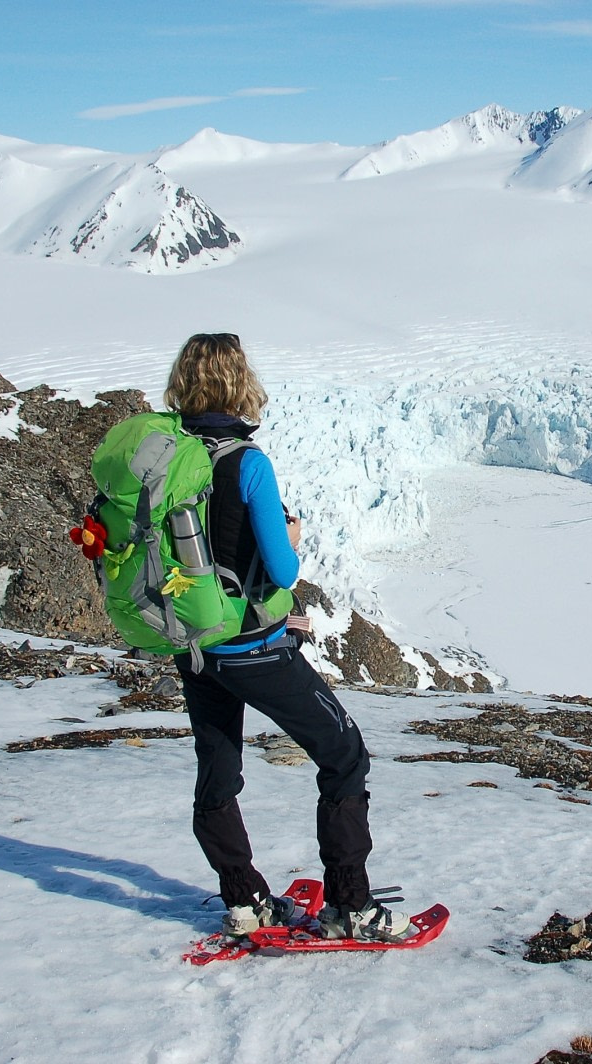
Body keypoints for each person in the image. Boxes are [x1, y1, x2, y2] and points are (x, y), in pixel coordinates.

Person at [162, 332, 411, 942]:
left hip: (193, 642)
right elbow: (281, 569)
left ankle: (245, 898)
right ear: (239, 384)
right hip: (251, 646)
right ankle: (350, 904)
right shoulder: (248, 463)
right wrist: (291, 540)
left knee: (217, 767)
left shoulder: (163, 456)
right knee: (344, 753)